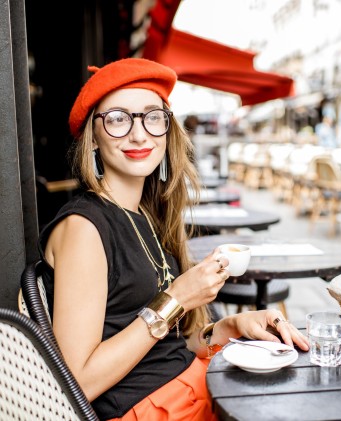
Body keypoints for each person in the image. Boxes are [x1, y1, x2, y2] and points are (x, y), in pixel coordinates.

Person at [37, 58, 310, 421]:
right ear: (93, 139)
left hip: (193, 389)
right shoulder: (84, 229)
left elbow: (168, 347)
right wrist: (176, 299)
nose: (139, 134)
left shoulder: (145, 216)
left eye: (152, 117)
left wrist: (230, 327)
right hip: (153, 410)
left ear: (167, 131)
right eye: (118, 118)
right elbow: (78, 382)